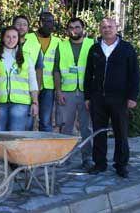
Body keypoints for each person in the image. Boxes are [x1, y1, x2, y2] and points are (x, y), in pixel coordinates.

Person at [84, 18, 140, 178]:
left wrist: (132, 96)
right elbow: (88, 74)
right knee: (98, 132)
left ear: (116, 28)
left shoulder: (127, 48)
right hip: (98, 98)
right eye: (103, 27)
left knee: (121, 132)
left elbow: (135, 74)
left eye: (110, 26)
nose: (107, 29)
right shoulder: (94, 49)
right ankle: (99, 163)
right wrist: (88, 97)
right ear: (100, 30)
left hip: (120, 98)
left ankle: (121, 165)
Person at [53, 17, 94, 170]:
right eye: (71, 27)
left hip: (86, 93)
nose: (74, 30)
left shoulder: (91, 44)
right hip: (67, 92)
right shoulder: (62, 45)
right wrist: (58, 91)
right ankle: (64, 158)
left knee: (86, 127)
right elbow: (56, 70)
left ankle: (87, 158)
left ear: (83, 29)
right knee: (66, 127)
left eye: (77, 27)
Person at [0, 26, 39, 131]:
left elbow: (33, 81)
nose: (11, 40)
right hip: (0, 103)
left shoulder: (26, 57)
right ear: (3, 38)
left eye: (14, 37)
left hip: (21, 104)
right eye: (8, 37)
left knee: (15, 136)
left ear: (18, 39)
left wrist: (35, 102)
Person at [11, 15, 44, 130]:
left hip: (26, 95)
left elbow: (39, 70)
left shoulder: (35, 46)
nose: (21, 27)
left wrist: (36, 92)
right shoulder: (0, 43)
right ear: (13, 26)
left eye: (24, 25)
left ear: (28, 28)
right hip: (5, 96)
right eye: (18, 24)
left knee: (26, 130)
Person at [36, 12, 61, 132]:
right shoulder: (29, 38)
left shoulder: (58, 42)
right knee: (29, 118)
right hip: (31, 85)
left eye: (51, 22)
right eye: (45, 21)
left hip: (49, 86)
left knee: (46, 121)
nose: (48, 24)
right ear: (39, 22)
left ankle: (45, 148)